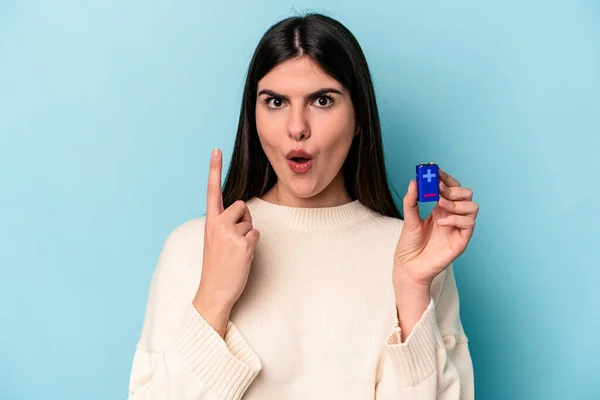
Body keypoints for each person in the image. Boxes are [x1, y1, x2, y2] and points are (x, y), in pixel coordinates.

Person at [127, 12, 478, 400]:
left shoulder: (414, 255)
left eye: (322, 101)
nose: (297, 128)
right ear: (253, 115)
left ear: (359, 116)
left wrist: (412, 290)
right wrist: (213, 297)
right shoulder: (194, 247)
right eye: (275, 102)